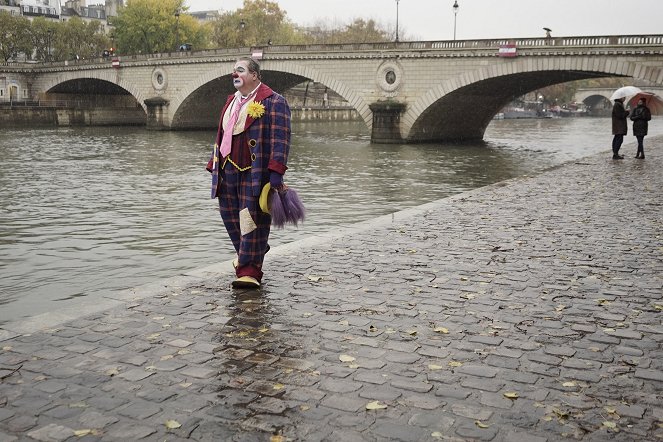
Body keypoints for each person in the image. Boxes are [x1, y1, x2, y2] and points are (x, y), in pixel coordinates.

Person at [206, 57, 291, 288]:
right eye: (234, 70)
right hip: (226, 169)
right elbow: (223, 134)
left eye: (240, 70)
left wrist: (276, 172)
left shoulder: (274, 101)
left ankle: (249, 271)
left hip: (254, 172)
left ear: (254, 75)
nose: (235, 74)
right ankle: (254, 250)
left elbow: (281, 138)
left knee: (250, 219)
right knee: (229, 216)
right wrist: (213, 162)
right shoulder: (230, 102)